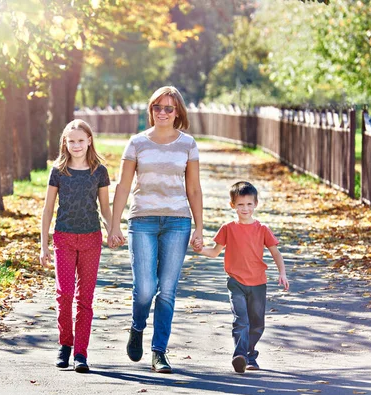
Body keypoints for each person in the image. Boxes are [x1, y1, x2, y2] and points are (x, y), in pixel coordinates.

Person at [108, 86, 204, 374]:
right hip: (143, 221)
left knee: (167, 292)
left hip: (178, 222)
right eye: (157, 107)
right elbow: (123, 185)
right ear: (150, 110)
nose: (162, 113)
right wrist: (114, 224)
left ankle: (159, 352)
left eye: (168, 108)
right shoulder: (137, 143)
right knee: (146, 289)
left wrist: (200, 228)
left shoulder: (188, 144)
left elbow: (194, 189)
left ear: (178, 113)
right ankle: (137, 327)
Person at [194, 181, 289, 374]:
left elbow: (276, 253)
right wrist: (199, 249)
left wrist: (282, 273)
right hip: (235, 282)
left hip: (258, 283)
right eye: (240, 204)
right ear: (232, 205)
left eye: (249, 204)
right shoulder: (228, 228)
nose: (245, 208)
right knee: (241, 320)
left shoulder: (262, 229)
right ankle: (240, 356)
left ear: (255, 204)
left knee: (257, 323)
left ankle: (250, 354)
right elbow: (214, 252)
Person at [40, 119, 112, 373]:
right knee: (65, 294)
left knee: (85, 299)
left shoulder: (99, 171)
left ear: (89, 140)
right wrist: (44, 245)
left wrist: (113, 228)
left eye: (81, 140)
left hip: (92, 238)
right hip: (64, 238)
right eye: (71, 141)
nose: (76, 145)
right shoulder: (58, 171)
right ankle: (65, 345)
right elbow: (48, 209)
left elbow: (105, 209)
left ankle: (81, 352)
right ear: (65, 143)